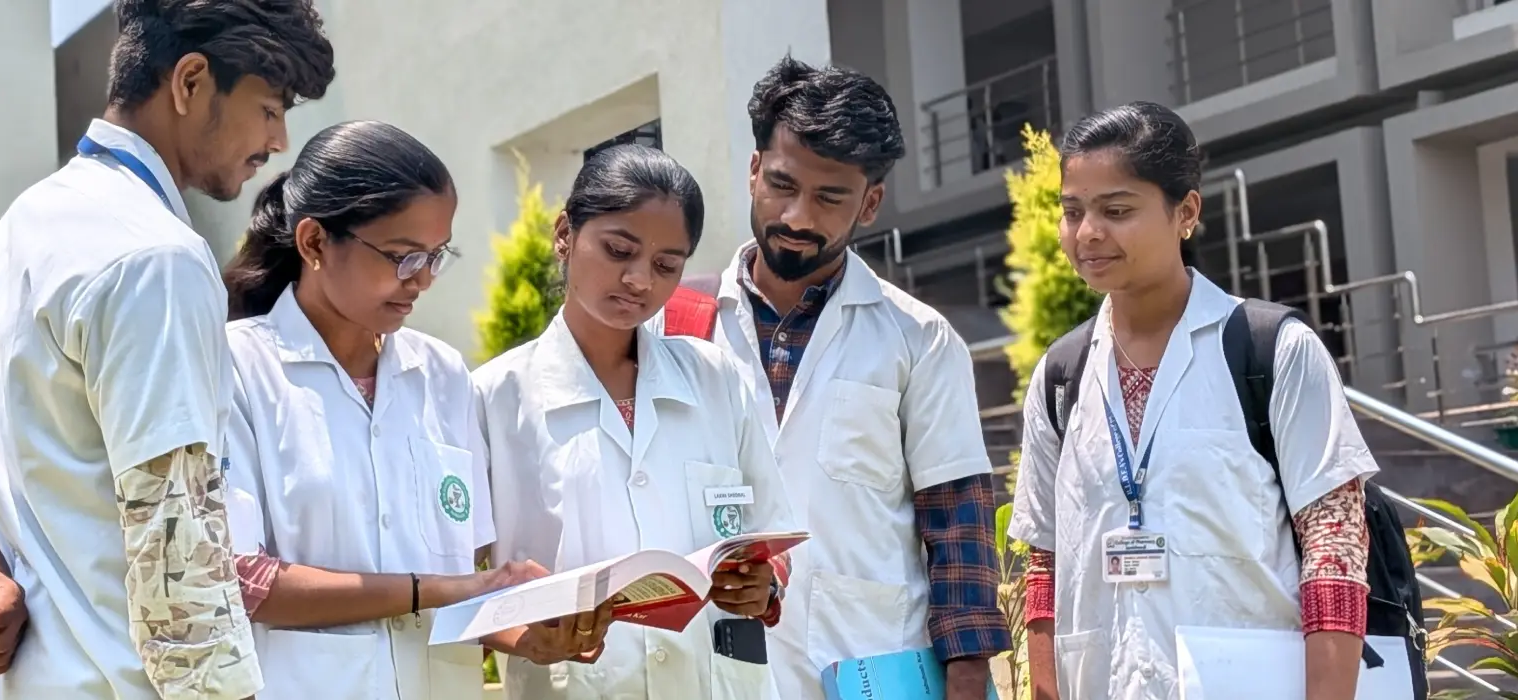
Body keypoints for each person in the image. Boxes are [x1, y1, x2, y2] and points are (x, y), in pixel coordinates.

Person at [0, 0, 334, 697]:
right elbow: (179, 556)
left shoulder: (25, 225)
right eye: (270, 109)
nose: (278, 141)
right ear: (190, 81)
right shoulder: (156, 258)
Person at [649, 57, 1010, 700]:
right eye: (781, 185)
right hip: (710, 673)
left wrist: (967, 680)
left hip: (868, 670)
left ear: (869, 203)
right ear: (754, 170)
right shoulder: (674, 328)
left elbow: (958, 523)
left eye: (829, 197)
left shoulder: (917, 340)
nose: (796, 216)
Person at [1007, 101, 1376, 700]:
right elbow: (1044, 563)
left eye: (1116, 210)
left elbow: (1335, 548)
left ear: (1186, 212)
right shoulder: (1060, 375)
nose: (1088, 232)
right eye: (1072, 212)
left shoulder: (1271, 351)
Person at [216, 119, 594, 700]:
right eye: (401, 256)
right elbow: (242, 581)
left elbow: (462, 581)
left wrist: (527, 637)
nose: (421, 281)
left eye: (436, 256)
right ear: (314, 243)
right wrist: (433, 591)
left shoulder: (442, 375)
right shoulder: (237, 368)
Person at [478, 145, 798, 699]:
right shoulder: (493, 398)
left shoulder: (715, 379)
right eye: (619, 250)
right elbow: (458, 587)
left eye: (666, 265)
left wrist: (762, 587)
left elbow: (771, 531)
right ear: (565, 234)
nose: (639, 280)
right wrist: (521, 637)